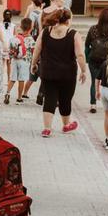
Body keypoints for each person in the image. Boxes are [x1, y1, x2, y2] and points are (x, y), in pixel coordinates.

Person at [30, 9, 87, 138]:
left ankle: (47, 128)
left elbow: (37, 49)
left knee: (49, 99)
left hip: (48, 72)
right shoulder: (73, 34)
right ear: (68, 20)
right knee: (65, 99)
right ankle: (66, 125)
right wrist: (83, 70)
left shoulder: (46, 32)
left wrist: (33, 64)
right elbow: (80, 55)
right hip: (67, 74)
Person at [86, 8, 108, 114]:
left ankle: (93, 104)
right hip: (107, 61)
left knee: (93, 82)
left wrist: (88, 57)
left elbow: (87, 44)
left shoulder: (93, 29)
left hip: (93, 60)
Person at [6, 17, 34, 104]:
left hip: (15, 59)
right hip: (24, 61)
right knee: (21, 79)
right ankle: (19, 97)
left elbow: (11, 49)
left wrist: (10, 58)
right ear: (30, 28)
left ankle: (7, 93)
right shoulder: (30, 39)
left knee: (12, 78)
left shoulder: (15, 37)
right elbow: (33, 50)